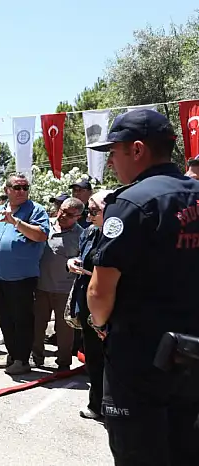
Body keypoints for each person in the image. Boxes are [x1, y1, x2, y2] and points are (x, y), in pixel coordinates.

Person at [85, 109, 199, 465]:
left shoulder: (131, 203)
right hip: (193, 351)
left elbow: (100, 292)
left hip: (142, 357)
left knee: (139, 451)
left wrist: (100, 324)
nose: (112, 163)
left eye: (113, 153)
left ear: (137, 150)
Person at [0, 173, 50, 375]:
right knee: (4, 317)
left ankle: (22, 359)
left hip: (21, 276)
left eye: (25, 187)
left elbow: (41, 234)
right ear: (7, 190)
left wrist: (15, 222)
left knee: (22, 318)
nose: (22, 191)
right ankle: (13, 354)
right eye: (17, 187)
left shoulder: (35, 210)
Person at [67, 189, 113, 421]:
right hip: (87, 302)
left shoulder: (119, 234)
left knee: (113, 360)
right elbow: (81, 256)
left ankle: (114, 407)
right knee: (94, 358)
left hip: (111, 306)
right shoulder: (90, 232)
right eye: (89, 210)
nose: (89, 215)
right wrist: (71, 263)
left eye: (94, 210)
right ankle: (96, 404)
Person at [31, 197, 84, 371]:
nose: (62, 215)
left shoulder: (81, 235)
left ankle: (63, 363)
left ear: (78, 216)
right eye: (62, 210)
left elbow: (84, 260)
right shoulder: (46, 225)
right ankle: (36, 357)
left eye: (69, 214)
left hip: (65, 290)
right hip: (41, 286)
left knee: (64, 330)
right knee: (37, 324)